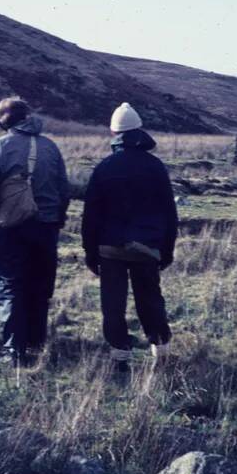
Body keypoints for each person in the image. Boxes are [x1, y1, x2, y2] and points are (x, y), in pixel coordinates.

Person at [81, 102, 177, 371]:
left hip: (110, 248)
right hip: (147, 247)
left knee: (113, 303)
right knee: (150, 298)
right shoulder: (155, 167)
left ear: (114, 134)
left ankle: (120, 357)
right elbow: (169, 212)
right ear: (139, 132)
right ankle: (162, 352)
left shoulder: (104, 167)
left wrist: (90, 251)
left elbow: (90, 215)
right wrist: (166, 249)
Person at [0, 97, 70, 366]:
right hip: (46, 227)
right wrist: (57, 219)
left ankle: (13, 350)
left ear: (3, 120)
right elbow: (64, 189)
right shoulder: (51, 147)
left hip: (9, 229)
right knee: (40, 284)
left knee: (10, 285)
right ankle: (37, 342)